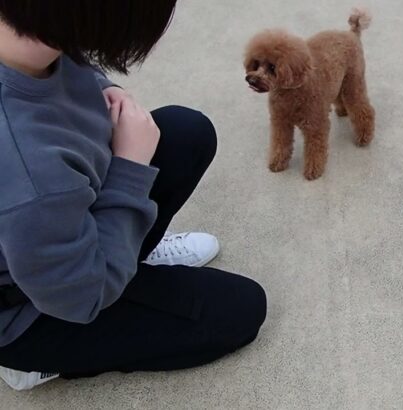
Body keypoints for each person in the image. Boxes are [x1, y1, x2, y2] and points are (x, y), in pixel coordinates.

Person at [0, 1, 266, 390]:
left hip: (47, 240)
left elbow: (72, 67)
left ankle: (125, 258)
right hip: (33, 309)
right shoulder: (29, 168)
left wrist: (107, 89)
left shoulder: (26, 37)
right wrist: (130, 169)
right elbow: (83, 298)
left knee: (185, 133)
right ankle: (30, 364)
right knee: (241, 311)